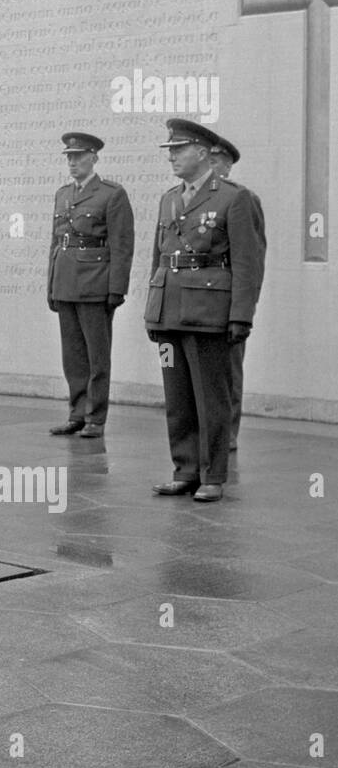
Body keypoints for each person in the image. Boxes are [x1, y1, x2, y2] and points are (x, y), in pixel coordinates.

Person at [144, 120, 263, 503]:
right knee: (177, 398)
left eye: (179, 149)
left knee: (212, 398)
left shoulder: (233, 198)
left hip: (210, 312)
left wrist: (241, 315)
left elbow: (248, 264)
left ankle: (213, 474)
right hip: (170, 312)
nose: (172, 156)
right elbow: (158, 258)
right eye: (170, 150)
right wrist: (153, 310)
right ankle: (185, 469)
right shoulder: (169, 199)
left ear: (202, 152)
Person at [46, 132, 135, 438]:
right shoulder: (62, 194)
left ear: (94, 158)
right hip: (66, 282)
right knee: (73, 356)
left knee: (97, 356)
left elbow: (122, 244)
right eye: (69, 157)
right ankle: (77, 412)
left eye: (79, 156)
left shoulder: (111, 194)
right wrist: (51, 286)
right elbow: (56, 243)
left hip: (95, 284)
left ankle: (95, 417)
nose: (73, 162)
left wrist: (117, 288)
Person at [208, 136, 266, 455]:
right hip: (202, 302)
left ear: (228, 166)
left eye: (215, 162)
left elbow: (252, 259)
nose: (210, 168)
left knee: (229, 372)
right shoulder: (194, 201)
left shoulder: (243, 199)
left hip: (229, 301)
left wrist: (244, 309)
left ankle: (228, 432)